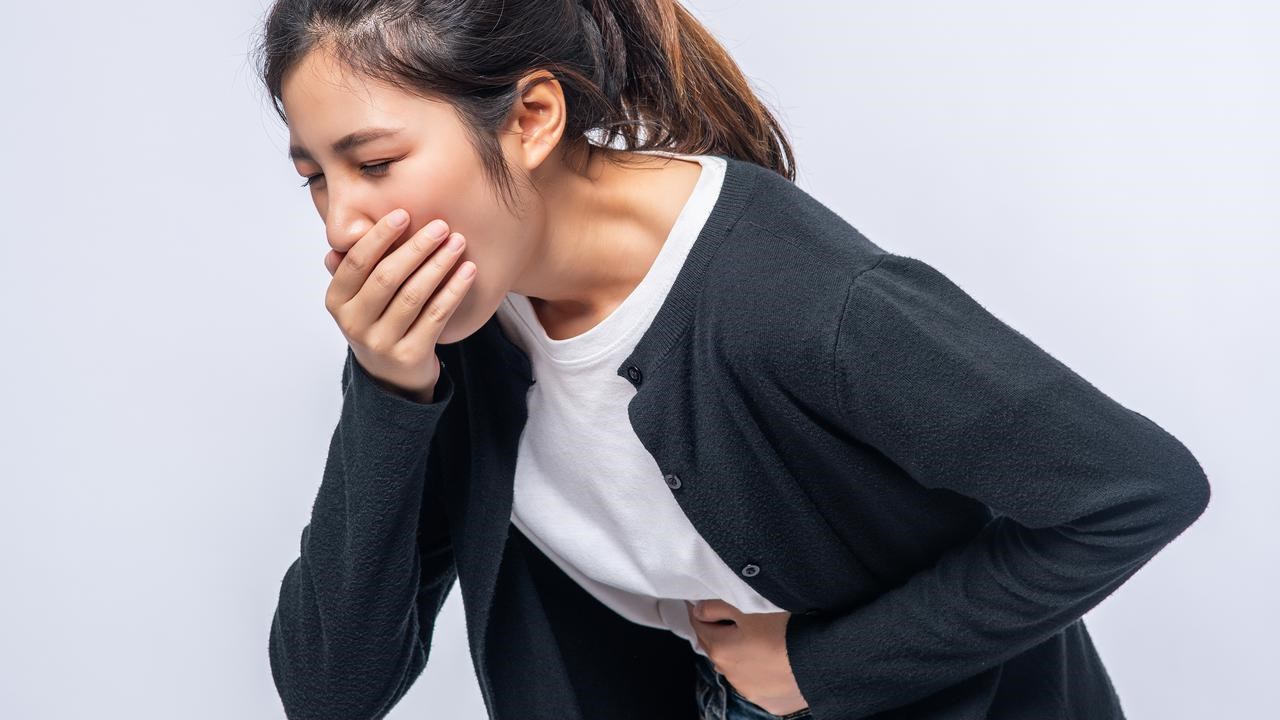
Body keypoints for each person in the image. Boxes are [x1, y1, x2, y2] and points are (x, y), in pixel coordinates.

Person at [253, 2, 1212, 719]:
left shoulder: (792, 297)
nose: (343, 223)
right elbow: (331, 692)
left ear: (532, 117)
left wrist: (821, 666)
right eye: (314, 177)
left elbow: (1136, 489)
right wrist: (387, 389)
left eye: (374, 164)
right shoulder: (451, 328)